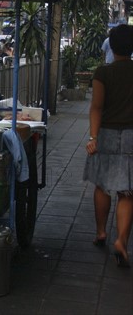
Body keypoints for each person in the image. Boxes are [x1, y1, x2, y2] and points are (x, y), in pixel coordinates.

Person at [83, 23, 133, 267]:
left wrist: (93, 137)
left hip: (106, 134)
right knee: (127, 191)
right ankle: (121, 240)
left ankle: (102, 232)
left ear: (111, 46)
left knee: (102, 185)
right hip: (131, 137)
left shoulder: (103, 73)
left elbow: (96, 107)